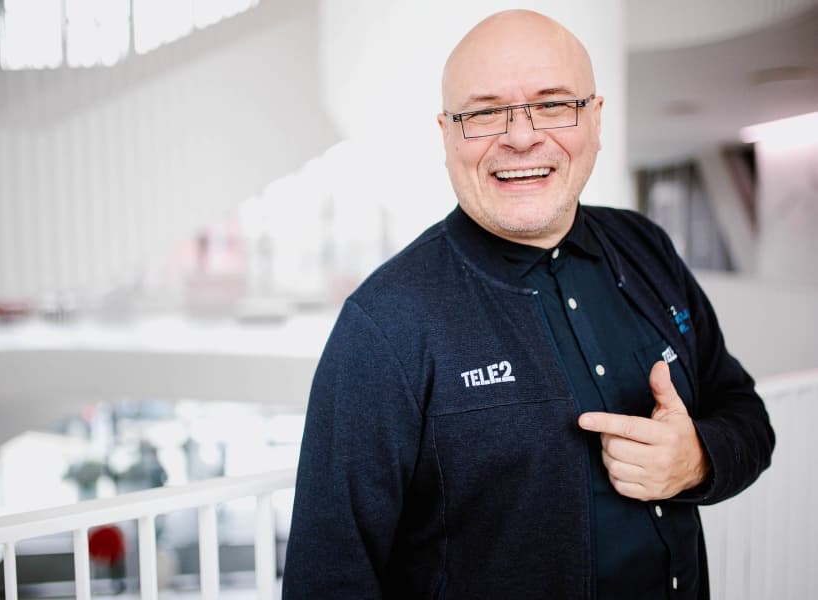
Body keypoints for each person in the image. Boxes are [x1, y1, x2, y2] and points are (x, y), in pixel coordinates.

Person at [283, 9, 774, 600]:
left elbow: (745, 413)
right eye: (484, 113)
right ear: (447, 134)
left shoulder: (646, 247)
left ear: (595, 118)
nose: (520, 137)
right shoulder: (385, 323)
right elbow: (328, 579)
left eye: (554, 103)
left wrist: (697, 459)